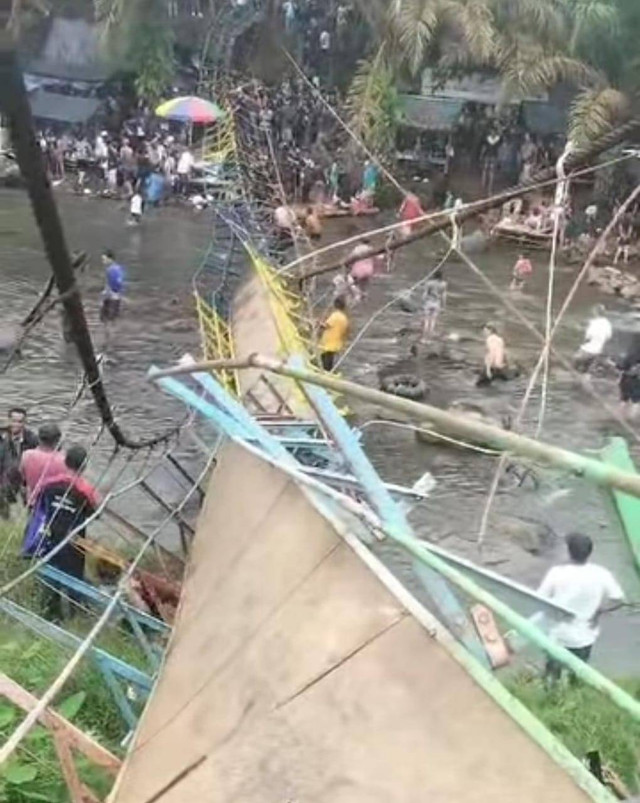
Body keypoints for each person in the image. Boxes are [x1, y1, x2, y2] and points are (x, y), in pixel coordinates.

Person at [23, 445, 100, 621]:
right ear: (84, 465)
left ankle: (51, 615)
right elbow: (95, 513)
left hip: (50, 537)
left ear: (65, 462)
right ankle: (73, 614)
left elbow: (38, 506)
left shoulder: (48, 483)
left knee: (51, 574)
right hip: (75, 542)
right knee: (74, 577)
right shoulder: (85, 489)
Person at [538, 533, 625, 684]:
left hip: (558, 634)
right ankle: (575, 697)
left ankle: (550, 698)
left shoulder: (557, 573)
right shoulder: (601, 573)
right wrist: (600, 610)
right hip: (584, 636)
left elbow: (539, 598)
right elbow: (618, 599)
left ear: (568, 551)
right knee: (578, 674)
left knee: (552, 675)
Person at [0, 408, 38, 519]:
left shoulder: (32, 439)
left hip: (24, 481)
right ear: (8, 420)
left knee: (30, 507)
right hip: (4, 478)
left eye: (20, 421)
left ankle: (29, 523)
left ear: (25, 422)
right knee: (3, 505)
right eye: (13, 421)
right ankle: (5, 522)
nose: (16, 424)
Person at [19, 422, 65, 508]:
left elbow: (22, 479)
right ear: (57, 441)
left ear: (39, 439)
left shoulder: (27, 455)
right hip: (53, 504)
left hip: (32, 501)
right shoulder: (63, 460)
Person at [574, 305, 612, 373]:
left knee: (575, 361)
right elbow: (608, 337)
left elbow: (587, 338)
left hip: (587, 350)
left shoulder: (593, 323)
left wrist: (580, 344)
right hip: (598, 351)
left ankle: (576, 375)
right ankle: (585, 375)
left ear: (595, 312)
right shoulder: (607, 323)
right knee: (587, 369)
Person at [319, 297, 349, 372]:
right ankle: (329, 373)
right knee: (330, 361)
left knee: (325, 361)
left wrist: (318, 323)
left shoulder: (335, 316)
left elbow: (325, 326)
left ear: (335, 305)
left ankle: (324, 375)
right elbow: (345, 332)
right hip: (337, 343)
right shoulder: (344, 318)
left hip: (328, 343)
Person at [100, 249, 125, 325]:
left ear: (110, 259)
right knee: (113, 320)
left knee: (106, 321)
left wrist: (103, 297)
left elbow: (112, 285)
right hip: (117, 298)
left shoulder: (110, 270)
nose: (103, 262)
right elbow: (120, 284)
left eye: (104, 259)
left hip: (110, 298)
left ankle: (108, 336)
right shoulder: (119, 269)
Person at [421, 270, 447, 340]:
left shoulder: (429, 283)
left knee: (426, 319)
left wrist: (423, 302)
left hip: (428, 302)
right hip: (436, 303)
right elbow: (443, 296)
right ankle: (430, 335)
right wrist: (443, 306)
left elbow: (425, 294)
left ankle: (424, 336)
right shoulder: (443, 284)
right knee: (433, 320)